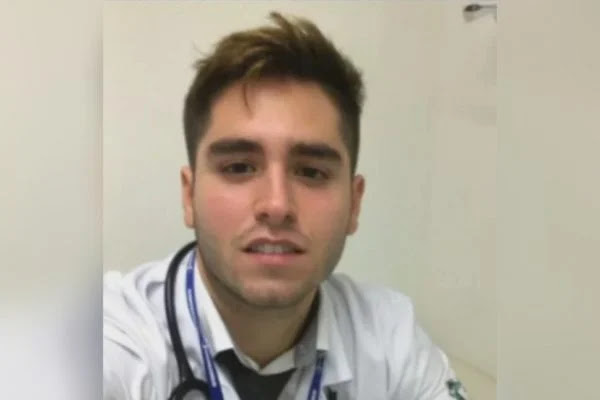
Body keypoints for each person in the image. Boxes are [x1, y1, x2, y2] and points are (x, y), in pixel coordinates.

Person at [103, 11, 468, 400]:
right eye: (239, 167)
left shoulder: (392, 339)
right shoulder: (114, 341)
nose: (277, 205)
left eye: (311, 172)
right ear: (188, 195)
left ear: (355, 203)